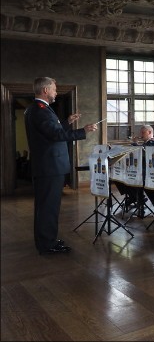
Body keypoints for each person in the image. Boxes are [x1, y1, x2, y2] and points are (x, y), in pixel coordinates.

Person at [25, 76, 98, 255]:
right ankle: (47, 244)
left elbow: (52, 131)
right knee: (48, 207)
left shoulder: (38, 109)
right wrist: (83, 131)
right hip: (49, 167)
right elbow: (56, 135)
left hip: (48, 166)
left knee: (46, 206)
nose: (56, 92)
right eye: (54, 89)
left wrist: (67, 122)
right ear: (45, 91)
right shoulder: (40, 110)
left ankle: (46, 240)